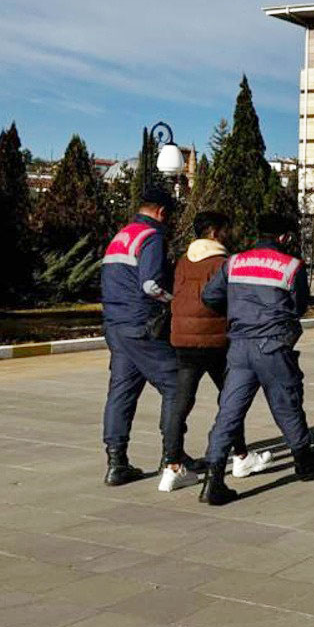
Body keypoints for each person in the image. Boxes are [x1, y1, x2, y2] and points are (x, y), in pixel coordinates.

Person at [196, 213, 314, 505]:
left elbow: (209, 296)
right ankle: (303, 460)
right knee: (287, 402)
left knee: (229, 412)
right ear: (284, 237)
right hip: (272, 346)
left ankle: (214, 478)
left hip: (239, 347)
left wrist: (237, 312)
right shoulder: (292, 266)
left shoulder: (234, 262)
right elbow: (298, 306)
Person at [159, 211, 271, 492]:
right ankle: (241, 456)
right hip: (217, 340)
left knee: (180, 403)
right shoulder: (224, 263)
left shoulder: (183, 261)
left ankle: (172, 467)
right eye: (226, 229)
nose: (229, 233)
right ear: (214, 232)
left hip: (182, 340)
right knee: (232, 399)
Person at [99, 186, 178, 486]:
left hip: (116, 327)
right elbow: (150, 285)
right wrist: (175, 300)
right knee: (175, 385)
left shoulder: (121, 236)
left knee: (121, 393)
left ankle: (116, 462)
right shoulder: (152, 237)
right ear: (161, 212)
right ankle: (172, 457)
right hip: (141, 325)